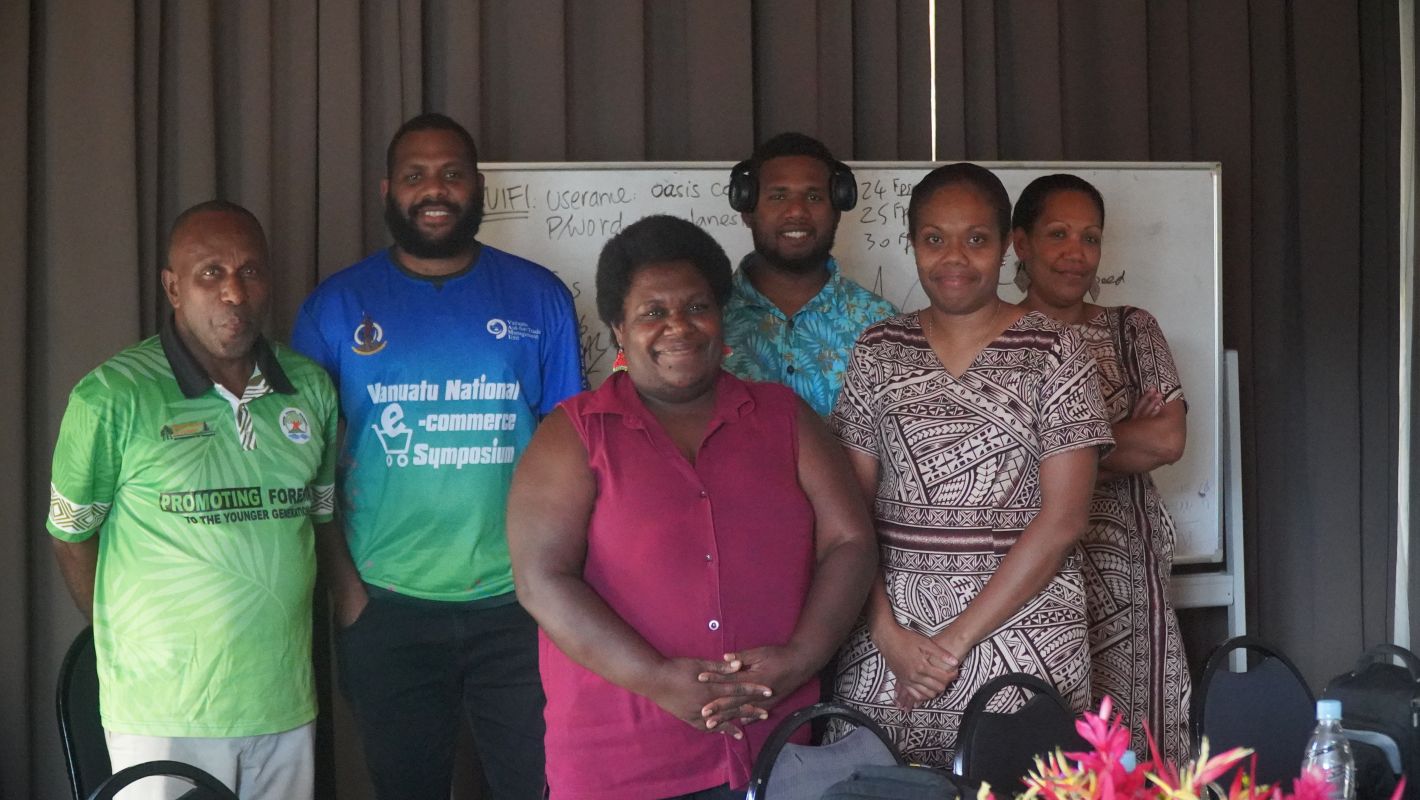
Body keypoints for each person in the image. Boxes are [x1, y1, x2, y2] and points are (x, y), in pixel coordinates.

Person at [507, 214, 878, 799]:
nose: (677, 326)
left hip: (774, 750)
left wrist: (800, 658)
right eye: (652, 312)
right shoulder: (575, 434)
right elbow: (541, 579)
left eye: (696, 306)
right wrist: (656, 681)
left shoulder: (784, 418)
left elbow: (849, 542)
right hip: (622, 759)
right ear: (617, 329)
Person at [290, 113, 582, 799]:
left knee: (538, 786)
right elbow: (305, 469)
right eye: (417, 175)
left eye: (452, 173)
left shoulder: (539, 297)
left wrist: (557, 584)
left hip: (520, 604)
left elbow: (574, 451)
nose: (435, 189)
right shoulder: (336, 306)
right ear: (388, 188)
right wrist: (348, 596)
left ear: (476, 186)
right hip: (387, 606)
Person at [48, 201, 338, 800]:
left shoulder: (309, 387)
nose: (234, 292)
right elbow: (71, 534)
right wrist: (130, 638)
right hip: (163, 713)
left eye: (250, 271)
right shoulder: (111, 397)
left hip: (283, 700)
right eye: (210, 273)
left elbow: (319, 519)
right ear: (172, 287)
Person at [828, 164, 1115, 766]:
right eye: (934, 239)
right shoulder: (878, 350)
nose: (953, 257)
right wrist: (887, 635)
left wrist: (953, 643)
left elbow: (1063, 520)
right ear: (912, 245)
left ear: (1009, 244)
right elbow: (846, 520)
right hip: (889, 637)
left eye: (976, 239)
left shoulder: (1058, 352)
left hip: (1026, 630)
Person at [1013, 173, 1191, 762]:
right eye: (1058, 233)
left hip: (1128, 589)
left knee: (1144, 760)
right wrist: (1117, 439)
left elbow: (1165, 440)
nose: (1076, 252)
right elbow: (994, 460)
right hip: (1024, 582)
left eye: (1090, 238)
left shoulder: (1132, 328)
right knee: (1040, 759)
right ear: (1020, 242)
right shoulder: (998, 338)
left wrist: (1050, 452)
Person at [722, 132, 897, 415]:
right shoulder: (706, 318)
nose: (796, 211)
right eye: (778, 196)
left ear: (837, 209)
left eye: (814, 196)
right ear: (747, 210)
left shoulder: (881, 325)